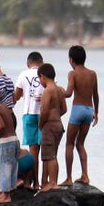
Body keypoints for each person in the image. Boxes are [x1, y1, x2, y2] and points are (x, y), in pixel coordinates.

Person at [62, 45, 100, 187]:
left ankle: (69, 178)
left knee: (69, 144)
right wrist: (97, 112)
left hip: (77, 110)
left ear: (71, 59)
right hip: (89, 110)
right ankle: (85, 175)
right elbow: (96, 95)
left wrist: (56, 90)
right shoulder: (92, 74)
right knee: (80, 144)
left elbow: (68, 93)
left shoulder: (72, 74)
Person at [14, 51, 45, 190]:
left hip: (29, 115)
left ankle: (35, 182)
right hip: (45, 115)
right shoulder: (47, 73)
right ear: (41, 63)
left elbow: (16, 96)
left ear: (28, 64)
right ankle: (44, 183)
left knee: (33, 152)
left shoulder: (23, 74)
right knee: (46, 152)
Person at [38, 63, 67, 192]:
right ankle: (52, 181)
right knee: (53, 155)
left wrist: (41, 124)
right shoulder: (60, 89)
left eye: (40, 79)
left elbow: (44, 111)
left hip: (49, 126)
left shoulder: (47, 91)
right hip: (59, 125)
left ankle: (53, 183)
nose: (40, 81)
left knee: (49, 156)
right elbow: (64, 109)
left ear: (43, 76)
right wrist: (55, 116)